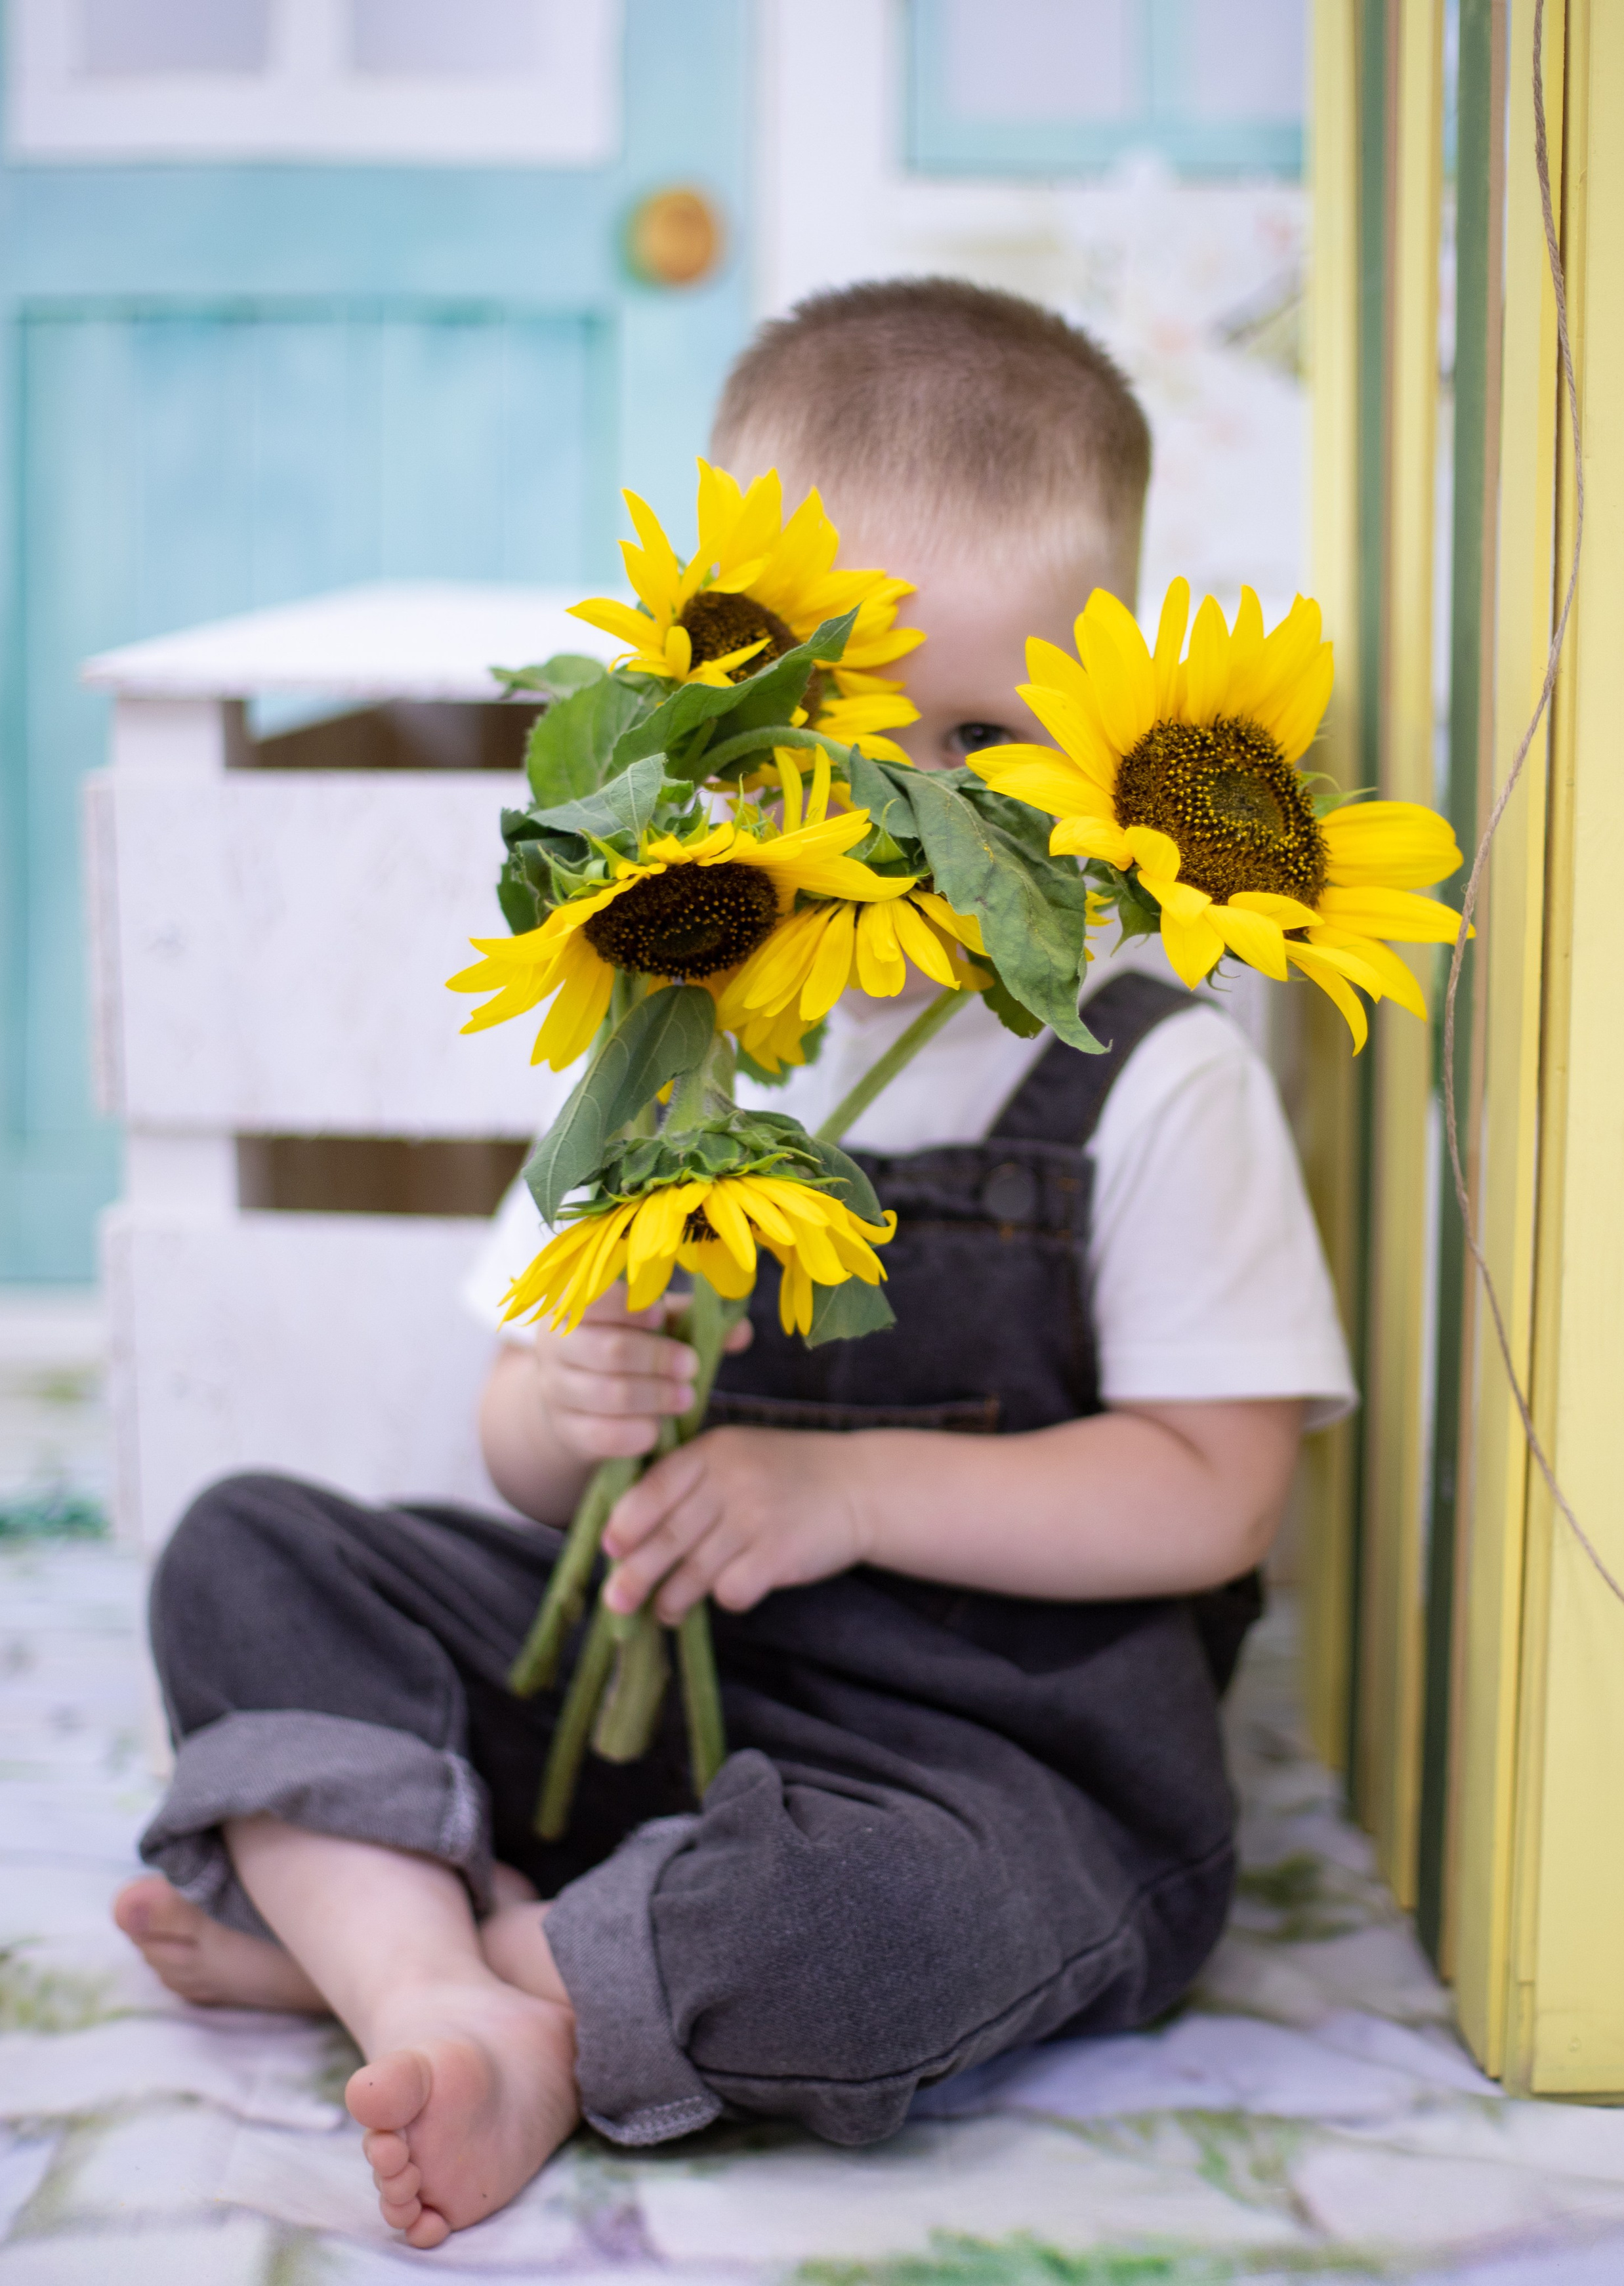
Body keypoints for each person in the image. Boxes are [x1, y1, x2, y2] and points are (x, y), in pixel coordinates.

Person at [113, 280, 1356, 2250]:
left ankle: (428, 1952)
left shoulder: (1146, 1067)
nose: (902, 795)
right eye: (829, 718)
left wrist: (842, 1484)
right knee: (249, 1548)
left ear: (1109, 723)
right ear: (723, 685)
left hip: (993, 1757)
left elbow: (1216, 1491)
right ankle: (451, 1992)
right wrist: (561, 1401)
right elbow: (528, 1462)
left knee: (860, 1942)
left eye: (983, 734)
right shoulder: (669, 996)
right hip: (644, 1721)